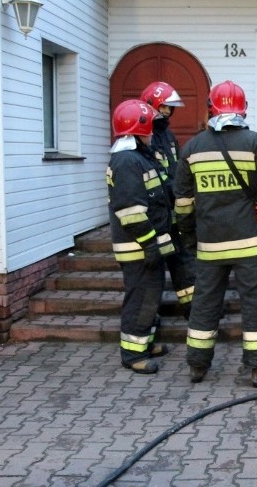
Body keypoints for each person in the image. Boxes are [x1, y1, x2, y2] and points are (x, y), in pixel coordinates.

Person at [174, 80, 257, 388]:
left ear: (211, 108)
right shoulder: (254, 142)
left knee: (205, 304)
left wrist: (189, 236)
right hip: (249, 244)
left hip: (210, 246)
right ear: (244, 109)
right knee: (255, 304)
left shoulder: (192, 148)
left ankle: (197, 365)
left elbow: (182, 203)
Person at [106, 99, 176, 375]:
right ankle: (133, 354)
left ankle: (145, 342)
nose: (152, 134)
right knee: (140, 298)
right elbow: (131, 212)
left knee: (150, 296)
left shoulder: (138, 157)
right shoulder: (127, 161)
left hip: (146, 243)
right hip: (138, 246)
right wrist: (149, 244)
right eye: (148, 128)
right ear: (139, 129)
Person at [140, 81, 196, 318]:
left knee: (184, 264)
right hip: (156, 218)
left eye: (170, 107)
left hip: (173, 212)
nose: (168, 112)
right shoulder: (145, 135)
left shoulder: (168, 136)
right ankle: (147, 323)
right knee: (151, 276)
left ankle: (193, 311)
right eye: (164, 107)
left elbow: (177, 169)